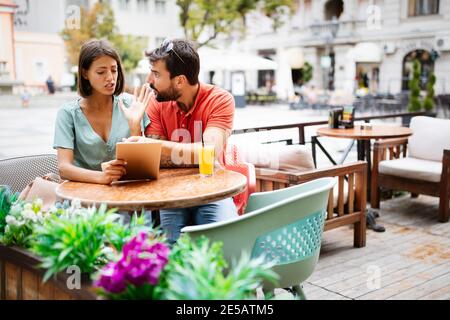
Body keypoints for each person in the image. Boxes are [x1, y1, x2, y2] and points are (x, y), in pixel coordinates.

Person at [126, 38, 237, 245]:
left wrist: (158, 147)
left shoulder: (220, 100)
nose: (150, 80)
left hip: (212, 190)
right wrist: (137, 129)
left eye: (156, 74)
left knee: (225, 245)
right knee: (168, 249)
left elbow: (209, 154)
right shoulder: (157, 102)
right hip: (171, 194)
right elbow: (152, 160)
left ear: (179, 81)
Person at [53, 39, 151, 184]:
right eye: (101, 72)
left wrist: (135, 126)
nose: (110, 78)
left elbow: (143, 165)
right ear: (85, 74)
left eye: (114, 70)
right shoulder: (68, 114)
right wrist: (102, 177)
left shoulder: (131, 104)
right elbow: (64, 169)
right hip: (84, 199)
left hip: (127, 193)